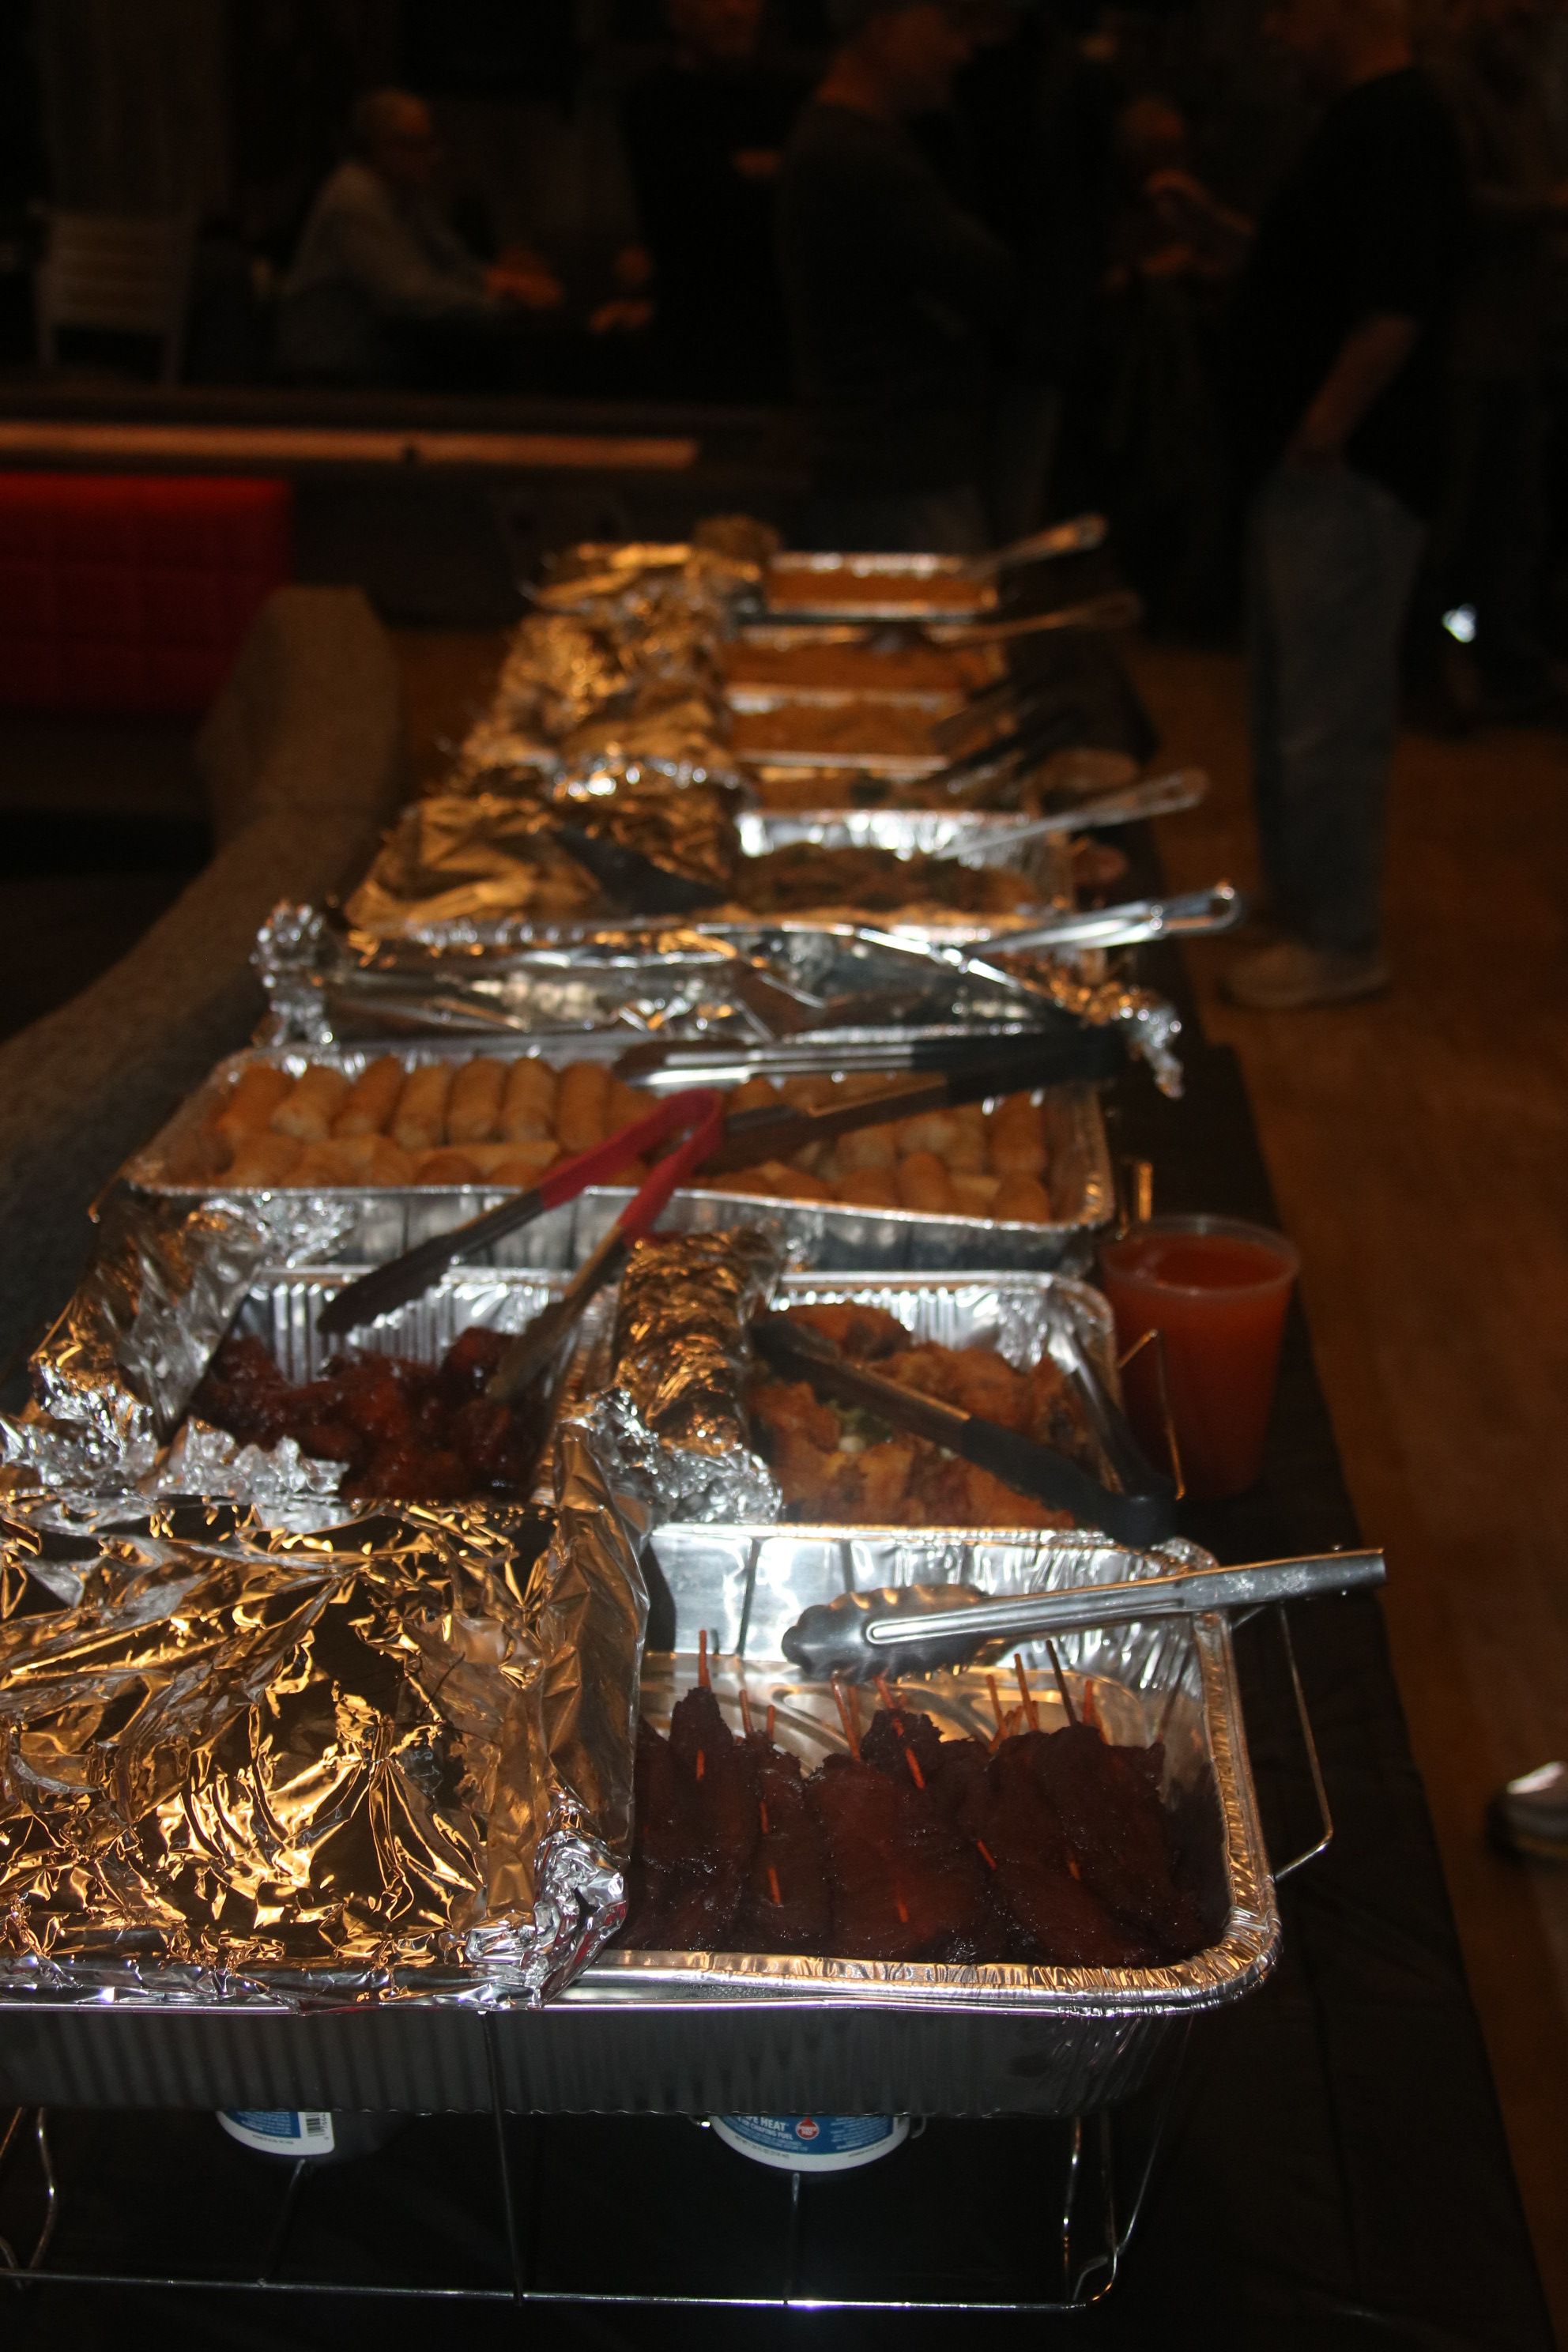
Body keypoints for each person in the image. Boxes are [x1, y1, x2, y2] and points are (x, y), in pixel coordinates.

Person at [1155, 0, 1466, 1009]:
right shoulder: (1355, 120)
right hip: (1305, 465)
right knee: (1290, 704)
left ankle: (1337, 934)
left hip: (1348, 473)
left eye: (1290, 11)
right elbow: (1326, 271)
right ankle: (1299, 898)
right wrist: (1225, 238)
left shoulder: (1401, 122)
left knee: (1327, 716)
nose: (1275, 32)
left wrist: (1325, 426)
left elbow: (1395, 305)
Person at [777, 0, 1017, 552]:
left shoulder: (848, 141)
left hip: (882, 461)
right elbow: (989, 281)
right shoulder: (855, 154)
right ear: (884, 27)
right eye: (946, 26)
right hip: (896, 468)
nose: (961, 51)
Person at [1419, 0, 1568, 726]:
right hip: (1464, 339)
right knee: (1449, 513)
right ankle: (1424, 667)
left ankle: (1506, 663)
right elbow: (1453, 201)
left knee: (1513, 514)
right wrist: (1546, 205)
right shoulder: (1448, 92)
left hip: (1522, 337)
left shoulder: (1527, 97)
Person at [275, 89, 562, 386]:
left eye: (431, 143)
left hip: (376, 362)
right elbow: (407, 295)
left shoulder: (406, 195)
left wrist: (504, 283)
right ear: (378, 146)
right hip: (331, 372)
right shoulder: (355, 198)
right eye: (417, 145)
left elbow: (451, 261)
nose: (433, 157)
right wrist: (500, 303)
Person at [616, 0, 802, 400]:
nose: (736, 11)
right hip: (696, 355)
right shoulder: (654, 104)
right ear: (675, 12)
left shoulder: (790, 100)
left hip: (785, 353)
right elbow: (696, 220)